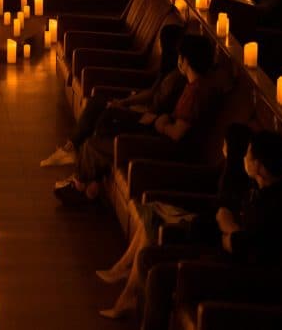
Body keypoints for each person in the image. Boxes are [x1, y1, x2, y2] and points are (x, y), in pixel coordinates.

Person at [139, 130, 282, 329]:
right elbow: (226, 214)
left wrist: (230, 228)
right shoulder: (256, 190)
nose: (244, 158)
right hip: (218, 251)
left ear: (258, 166)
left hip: (238, 275)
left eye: (248, 154)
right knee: (148, 256)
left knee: (159, 277)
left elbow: (243, 246)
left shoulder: (280, 206)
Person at [96, 123, 253, 319]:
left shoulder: (235, 177)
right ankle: (123, 272)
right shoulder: (230, 169)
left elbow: (220, 213)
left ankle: (125, 287)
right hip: (203, 221)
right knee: (150, 214)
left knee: (152, 221)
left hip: (203, 230)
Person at [54, 34, 219, 206]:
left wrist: (162, 124)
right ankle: (89, 183)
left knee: (94, 143)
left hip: (162, 145)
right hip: (156, 130)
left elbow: (177, 133)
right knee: (106, 121)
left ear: (186, 61)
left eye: (180, 57)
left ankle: (81, 185)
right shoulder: (193, 84)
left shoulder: (195, 93)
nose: (178, 61)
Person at [41, 24, 185, 167]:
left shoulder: (177, 78)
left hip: (148, 119)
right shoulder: (168, 70)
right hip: (144, 110)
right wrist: (125, 102)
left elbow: (161, 109)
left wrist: (133, 109)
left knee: (107, 112)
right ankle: (71, 147)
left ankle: (81, 160)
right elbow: (151, 93)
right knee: (97, 101)